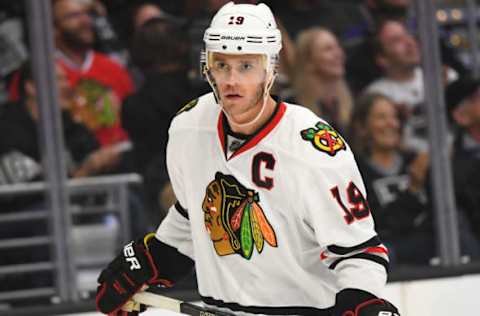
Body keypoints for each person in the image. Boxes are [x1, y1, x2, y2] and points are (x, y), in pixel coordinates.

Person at [95, 3, 400, 316]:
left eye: (245, 66)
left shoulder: (313, 147)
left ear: (270, 68)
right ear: (206, 65)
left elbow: (360, 251)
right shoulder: (188, 127)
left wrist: (361, 301)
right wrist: (151, 259)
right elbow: (192, 216)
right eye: (221, 64)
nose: (231, 80)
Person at [289, 27, 353, 133]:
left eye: (338, 47)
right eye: (328, 49)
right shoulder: (292, 107)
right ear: (308, 61)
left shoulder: (351, 101)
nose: (339, 54)